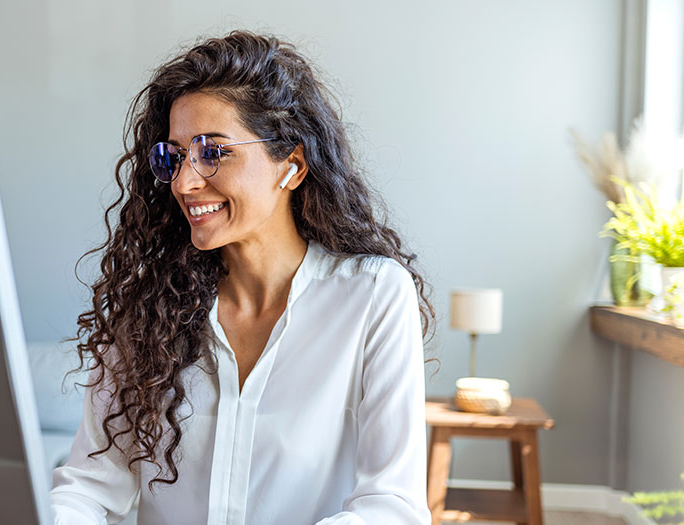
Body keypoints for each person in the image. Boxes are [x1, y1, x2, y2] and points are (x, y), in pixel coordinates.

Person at [50, 30, 436, 525]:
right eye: (175, 157)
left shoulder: (373, 295)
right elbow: (86, 489)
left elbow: (393, 507)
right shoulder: (150, 309)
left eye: (213, 151)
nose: (185, 182)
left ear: (291, 166)